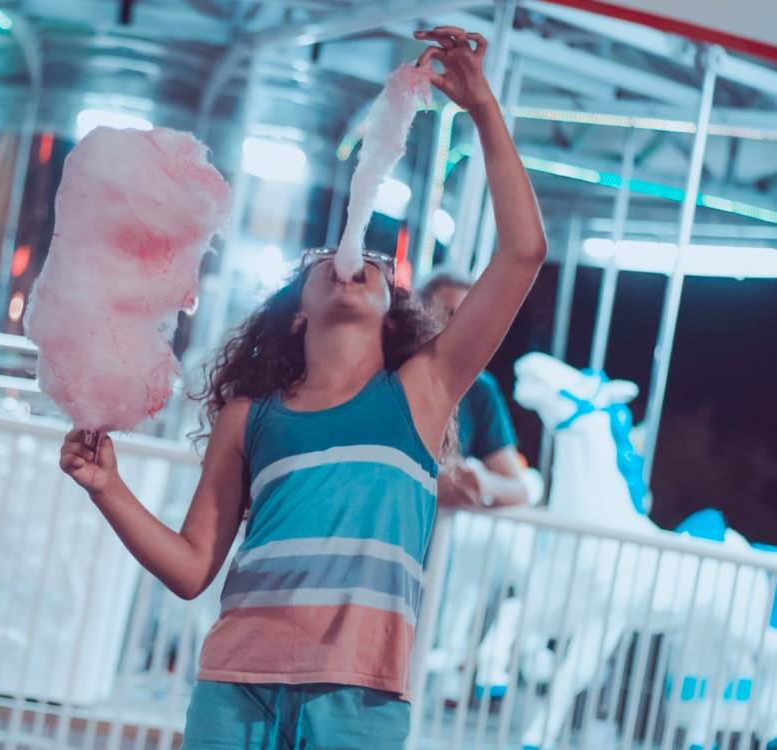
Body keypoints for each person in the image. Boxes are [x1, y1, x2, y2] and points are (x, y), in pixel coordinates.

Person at [59, 26, 546, 749]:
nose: (354, 260)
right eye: (327, 259)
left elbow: (522, 252)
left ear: (392, 313)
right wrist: (107, 488)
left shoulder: (423, 391)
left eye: (376, 264)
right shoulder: (249, 417)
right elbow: (193, 568)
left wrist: (482, 110)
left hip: (361, 703)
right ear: (296, 319)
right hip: (236, 692)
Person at [420, 269, 533, 508]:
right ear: (418, 316)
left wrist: (477, 480)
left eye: (469, 317)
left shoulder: (480, 388)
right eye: (447, 314)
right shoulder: (389, 374)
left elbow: (519, 491)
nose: (459, 326)